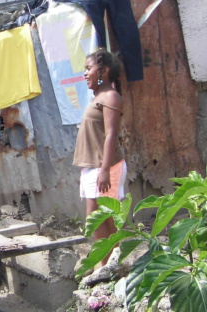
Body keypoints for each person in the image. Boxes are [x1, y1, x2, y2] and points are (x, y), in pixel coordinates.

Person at [73, 49, 126, 266]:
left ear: (103, 71)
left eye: (88, 68)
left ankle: (109, 265)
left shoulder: (110, 96)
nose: (85, 74)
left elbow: (111, 134)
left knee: (98, 219)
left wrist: (104, 169)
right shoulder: (98, 97)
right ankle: (109, 265)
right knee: (101, 220)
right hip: (93, 167)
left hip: (105, 167)